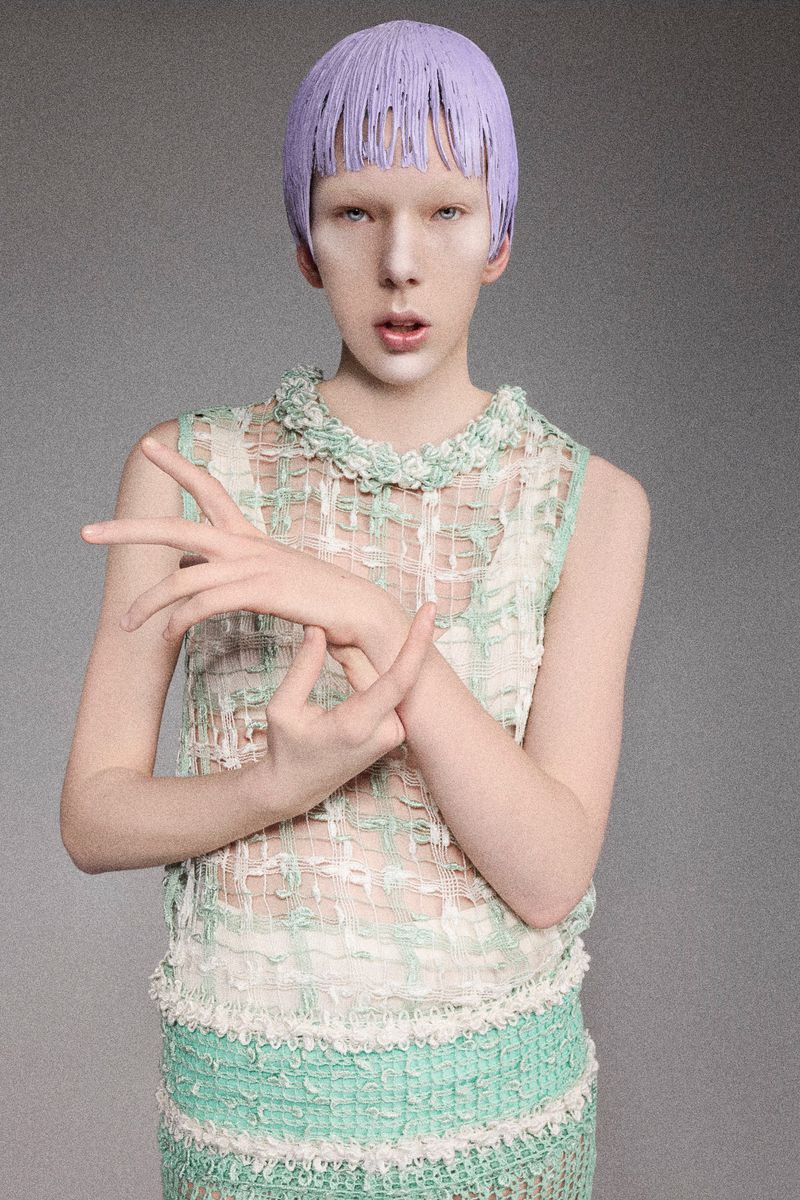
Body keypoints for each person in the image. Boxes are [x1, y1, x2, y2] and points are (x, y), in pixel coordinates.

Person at [61, 18, 650, 1200]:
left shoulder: (587, 502)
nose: (399, 263)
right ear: (303, 240)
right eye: (353, 213)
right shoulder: (188, 469)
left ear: (499, 236)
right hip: (249, 1125)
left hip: (497, 1123)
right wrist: (268, 789)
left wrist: (369, 617)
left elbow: (548, 875)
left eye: (446, 211)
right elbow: (93, 818)